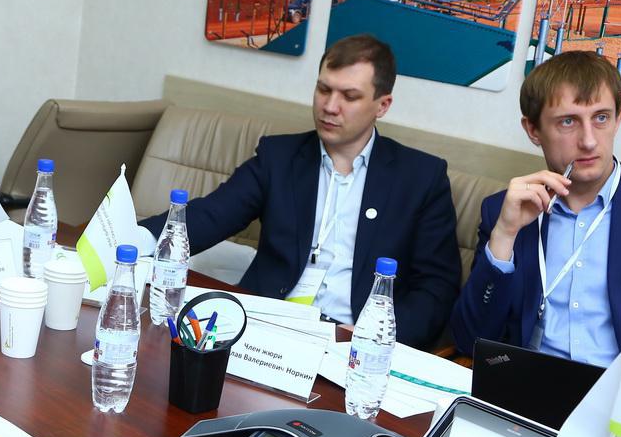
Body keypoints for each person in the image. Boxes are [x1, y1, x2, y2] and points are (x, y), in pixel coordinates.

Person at [143, 34, 461, 350]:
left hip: (353, 344)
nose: (330, 107)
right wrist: (132, 240)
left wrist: (376, 336)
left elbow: (437, 288)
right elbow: (210, 215)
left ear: (383, 105)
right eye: (323, 90)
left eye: (349, 96)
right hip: (265, 330)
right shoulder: (279, 157)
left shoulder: (421, 178)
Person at [450, 50, 621, 387]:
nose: (588, 141)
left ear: (618, 119)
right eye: (568, 122)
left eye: (600, 118)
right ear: (533, 129)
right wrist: (505, 234)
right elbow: (470, 340)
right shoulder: (504, 209)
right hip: (525, 395)